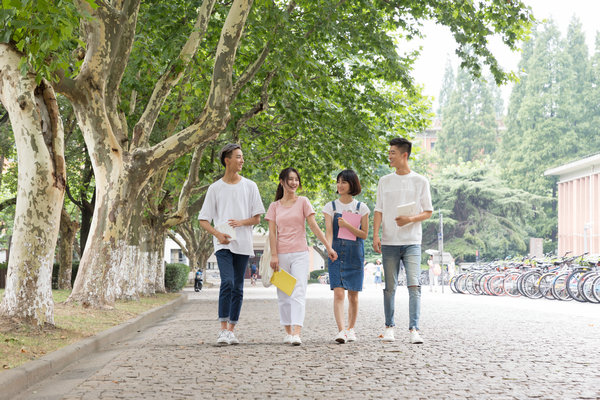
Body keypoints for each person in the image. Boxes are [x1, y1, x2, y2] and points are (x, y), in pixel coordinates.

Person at [198, 143, 265, 346]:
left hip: (243, 243)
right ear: (227, 160)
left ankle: (231, 330)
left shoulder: (250, 186)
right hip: (223, 244)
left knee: (238, 287)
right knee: (227, 282)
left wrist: (241, 223)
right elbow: (203, 220)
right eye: (238, 157)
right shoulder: (215, 188)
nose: (242, 160)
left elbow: (257, 218)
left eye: (242, 156)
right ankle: (222, 329)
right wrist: (218, 234)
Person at [265, 167, 337, 346]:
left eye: (296, 179)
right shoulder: (274, 206)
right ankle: (288, 332)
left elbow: (313, 226)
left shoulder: (303, 202)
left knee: (298, 291)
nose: (294, 183)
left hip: (300, 254)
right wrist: (274, 255)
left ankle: (297, 332)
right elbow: (272, 233)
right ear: (282, 182)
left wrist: (328, 247)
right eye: (290, 179)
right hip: (280, 255)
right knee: (283, 294)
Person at [373, 137, 433, 344]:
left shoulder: (420, 181)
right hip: (389, 241)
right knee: (389, 287)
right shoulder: (384, 181)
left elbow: (428, 211)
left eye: (392, 153)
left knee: (414, 285)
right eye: (389, 152)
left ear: (404, 155)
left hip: (412, 241)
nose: (389, 156)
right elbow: (378, 210)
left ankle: (414, 329)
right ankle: (389, 327)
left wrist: (410, 219)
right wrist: (375, 235)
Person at [323, 169, 370, 344]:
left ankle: (351, 329)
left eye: (344, 182)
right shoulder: (330, 207)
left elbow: (364, 234)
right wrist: (328, 248)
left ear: (352, 184)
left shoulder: (361, 208)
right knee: (338, 294)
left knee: (353, 296)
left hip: (355, 254)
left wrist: (348, 225)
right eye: (338, 181)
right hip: (336, 253)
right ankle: (341, 330)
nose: (340, 185)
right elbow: (329, 232)